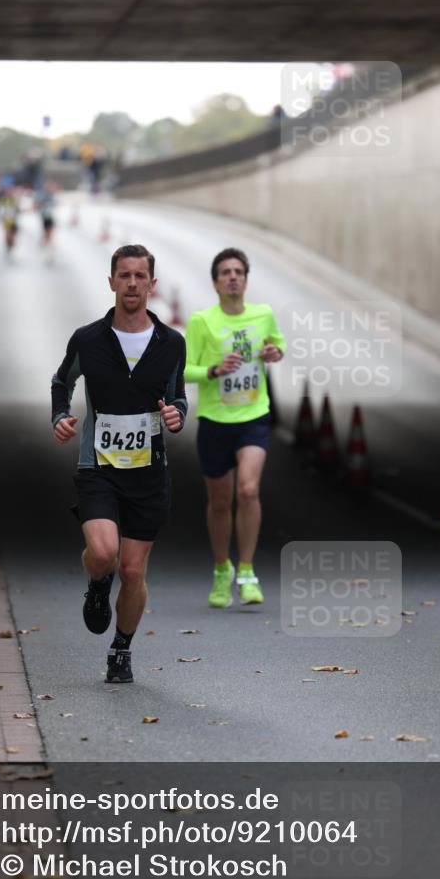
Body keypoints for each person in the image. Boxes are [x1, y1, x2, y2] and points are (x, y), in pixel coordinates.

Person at [51, 244, 187, 683]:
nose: (132, 283)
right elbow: (61, 381)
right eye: (123, 275)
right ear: (111, 282)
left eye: (139, 276)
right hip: (99, 468)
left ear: (152, 284)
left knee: (132, 569)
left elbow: (178, 396)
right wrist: (59, 416)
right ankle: (95, 585)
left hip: (148, 473)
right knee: (105, 554)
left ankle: (121, 649)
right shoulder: (88, 340)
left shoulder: (171, 343)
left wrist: (176, 415)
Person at [184, 247, 285, 608]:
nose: (232, 277)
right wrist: (213, 370)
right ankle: (221, 568)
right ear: (215, 282)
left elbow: (277, 344)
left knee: (247, 490)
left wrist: (275, 353)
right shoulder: (201, 321)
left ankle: (246, 570)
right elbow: (184, 369)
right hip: (214, 420)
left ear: (245, 279)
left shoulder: (263, 314)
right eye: (225, 272)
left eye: (238, 271)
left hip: (253, 418)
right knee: (219, 501)